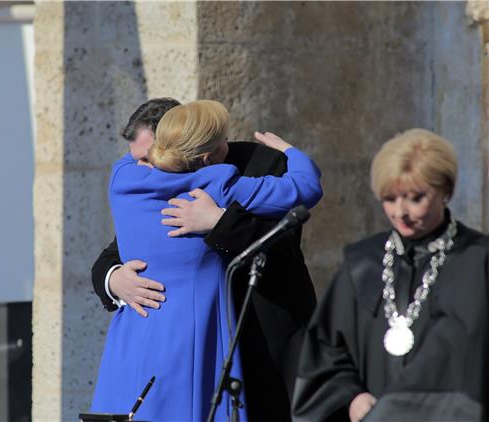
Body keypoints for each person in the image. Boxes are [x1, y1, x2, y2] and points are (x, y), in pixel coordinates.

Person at [90, 100, 322, 421]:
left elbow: (282, 249)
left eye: (150, 154)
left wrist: (220, 222)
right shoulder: (217, 182)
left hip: (253, 343)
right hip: (186, 335)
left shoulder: (124, 179)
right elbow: (306, 187)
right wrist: (114, 279)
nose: (149, 165)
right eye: (141, 159)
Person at [291, 128, 489, 422]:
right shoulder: (361, 263)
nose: (401, 212)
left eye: (415, 198)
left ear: (445, 191)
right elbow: (326, 352)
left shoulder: (479, 260)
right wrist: (351, 396)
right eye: (390, 198)